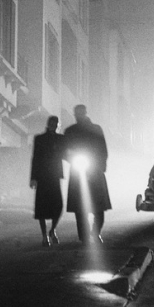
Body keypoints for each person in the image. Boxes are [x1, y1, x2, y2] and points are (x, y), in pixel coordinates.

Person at [63, 104, 112, 243]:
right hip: (78, 171)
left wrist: (102, 165)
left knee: (99, 207)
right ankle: (84, 236)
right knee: (79, 208)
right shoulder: (70, 131)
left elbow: (103, 149)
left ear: (85, 113)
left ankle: (96, 232)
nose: (79, 116)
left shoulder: (96, 129)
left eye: (81, 113)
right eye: (77, 114)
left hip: (95, 170)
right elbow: (65, 150)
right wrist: (71, 159)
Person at [29, 116, 65, 246]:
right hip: (43, 177)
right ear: (49, 124)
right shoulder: (40, 139)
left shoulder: (60, 139)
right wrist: (33, 177)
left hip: (54, 176)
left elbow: (66, 153)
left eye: (56, 124)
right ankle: (45, 235)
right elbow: (35, 158)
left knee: (58, 206)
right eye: (52, 123)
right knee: (42, 208)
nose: (54, 126)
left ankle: (52, 230)